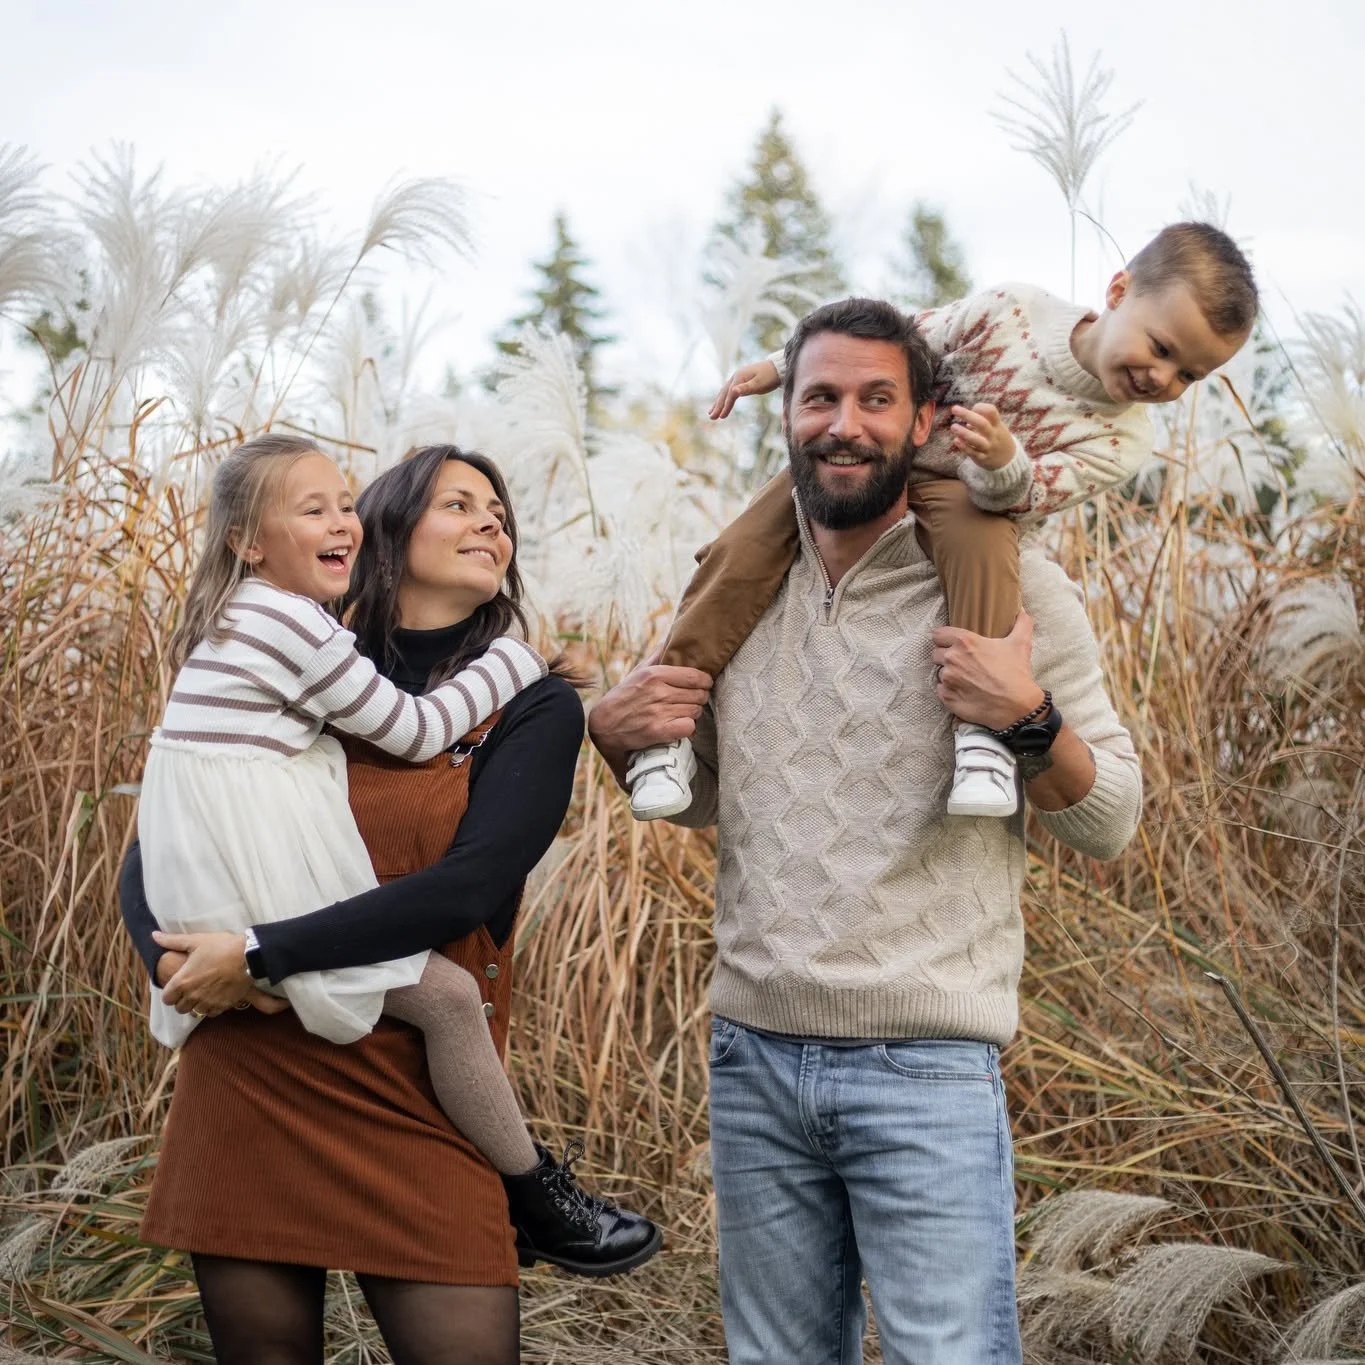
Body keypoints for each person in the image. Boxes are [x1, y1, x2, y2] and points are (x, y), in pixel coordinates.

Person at [589, 299, 1144, 1364]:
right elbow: (701, 795)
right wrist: (615, 739)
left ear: (924, 418)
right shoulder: (736, 586)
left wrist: (1025, 716)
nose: (844, 424)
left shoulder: (1010, 586)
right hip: (753, 1054)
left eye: (875, 400)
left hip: (926, 1064)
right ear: (786, 414)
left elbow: (1110, 818)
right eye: (821, 398)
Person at [121, 444, 659, 1365]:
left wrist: (255, 953)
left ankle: (534, 1191)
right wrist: (175, 963)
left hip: (421, 1089)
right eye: (459, 503)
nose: (490, 522)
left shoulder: (529, 707)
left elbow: (466, 889)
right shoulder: (301, 652)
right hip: (255, 1061)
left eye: (499, 512)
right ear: (390, 529)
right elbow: (158, 837)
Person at [626, 222, 1254, 822]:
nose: (1162, 377)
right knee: (741, 547)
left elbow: (1029, 498)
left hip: (973, 500)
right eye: (1162, 348)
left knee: (984, 546)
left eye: (1189, 375)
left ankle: (981, 738)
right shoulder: (1012, 312)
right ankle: (667, 718)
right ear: (1118, 292)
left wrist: (1003, 463)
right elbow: (907, 340)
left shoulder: (1123, 440)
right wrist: (781, 366)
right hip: (869, 465)